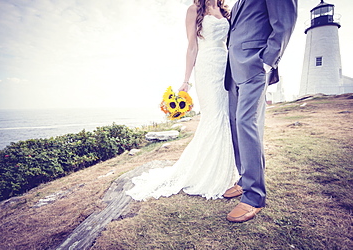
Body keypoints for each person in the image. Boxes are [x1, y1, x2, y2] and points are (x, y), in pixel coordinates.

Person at [126, 0, 239, 201]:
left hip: (225, 66)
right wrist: (185, 81)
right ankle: (206, 172)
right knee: (213, 117)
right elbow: (192, 47)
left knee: (225, 116)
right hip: (206, 67)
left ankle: (225, 169)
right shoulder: (194, 10)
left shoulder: (224, 10)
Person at [224, 0, 298, 223]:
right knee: (236, 122)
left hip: (255, 65)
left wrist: (267, 62)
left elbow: (285, 22)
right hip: (234, 69)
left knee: (247, 124)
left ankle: (254, 197)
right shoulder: (236, 4)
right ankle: (245, 180)